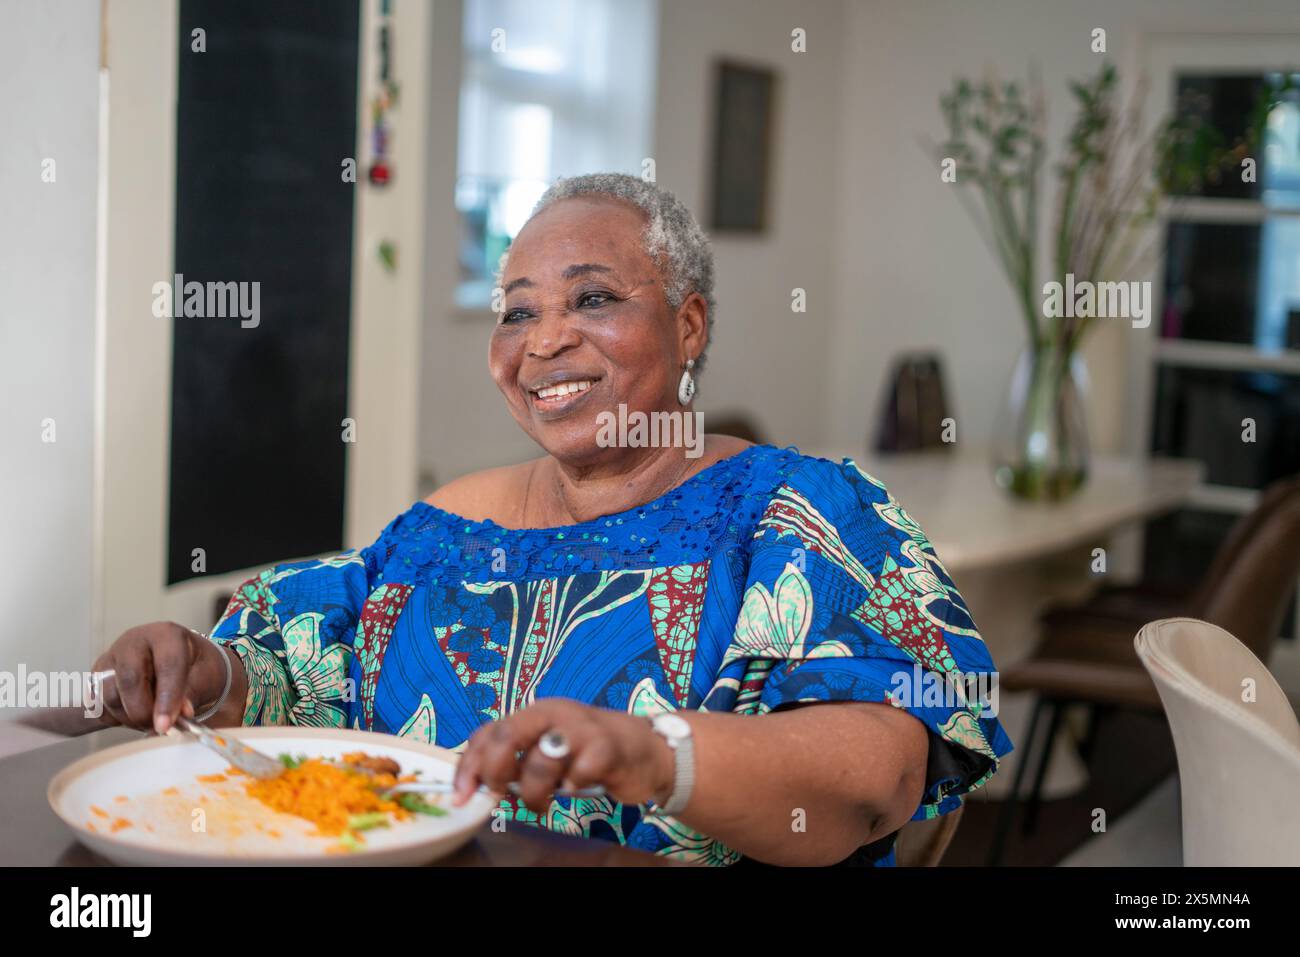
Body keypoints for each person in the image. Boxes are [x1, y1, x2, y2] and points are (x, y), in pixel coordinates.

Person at [93, 173, 1011, 866]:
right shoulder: (440, 531)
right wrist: (203, 670)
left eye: (593, 298)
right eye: (516, 311)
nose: (541, 341)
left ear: (689, 325)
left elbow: (874, 775)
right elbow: (300, 675)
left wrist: (657, 753)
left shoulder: (802, 514)